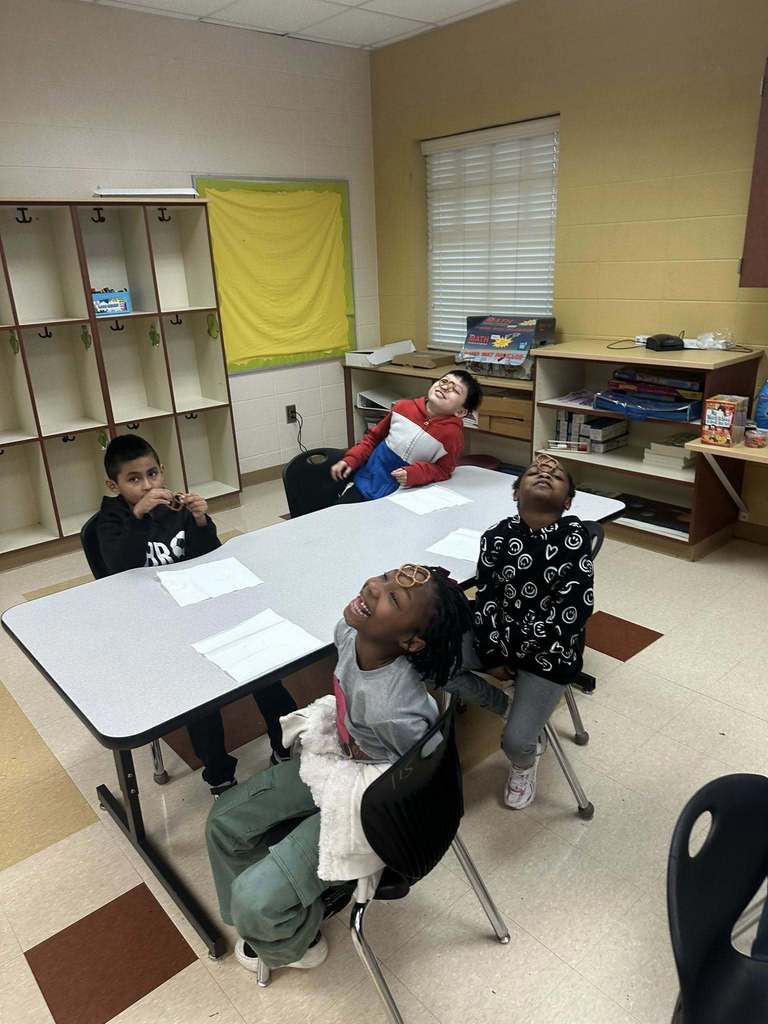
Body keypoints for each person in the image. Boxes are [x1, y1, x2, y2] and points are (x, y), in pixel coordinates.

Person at [205, 564, 506, 976]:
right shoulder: (348, 632)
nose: (374, 587)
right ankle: (266, 920)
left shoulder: (394, 710)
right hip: (339, 758)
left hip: (369, 790)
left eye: (393, 599)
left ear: (411, 642)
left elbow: (412, 777)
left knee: (255, 899)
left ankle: (298, 937)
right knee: (224, 821)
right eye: (384, 578)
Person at [96, 434, 297, 794]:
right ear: (114, 485)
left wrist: (202, 523)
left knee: (265, 668)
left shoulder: (175, 509)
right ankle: (219, 774)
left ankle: (285, 744)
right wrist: (138, 517)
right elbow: (119, 570)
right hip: (157, 620)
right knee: (201, 701)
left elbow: (211, 556)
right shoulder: (110, 522)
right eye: (134, 479)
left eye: (153, 474)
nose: (148, 485)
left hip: (203, 604)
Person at [473, 453, 594, 810]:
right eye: (534, 471)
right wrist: (493, 654)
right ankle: (505, 703)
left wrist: (512, 649)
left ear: (567, 501)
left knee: (515, 743)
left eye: (556, 475)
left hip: (550, 654)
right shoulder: (495, 536)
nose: (545, 472)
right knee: (431, 657)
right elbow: (487, 599)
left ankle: (524, 764)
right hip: (503, 642)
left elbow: (573, 612)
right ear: (515, 493)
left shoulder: (574, 537)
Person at [330, 370, 482, 502]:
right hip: (367, 481)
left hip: (403, 495)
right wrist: (351, 459)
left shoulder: (452, 435)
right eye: (444, 381)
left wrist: (418, 473)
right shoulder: (402, 407)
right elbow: (373, 438)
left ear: (461, 412)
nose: (445, 386)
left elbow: (444, 470)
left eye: (455, 390)